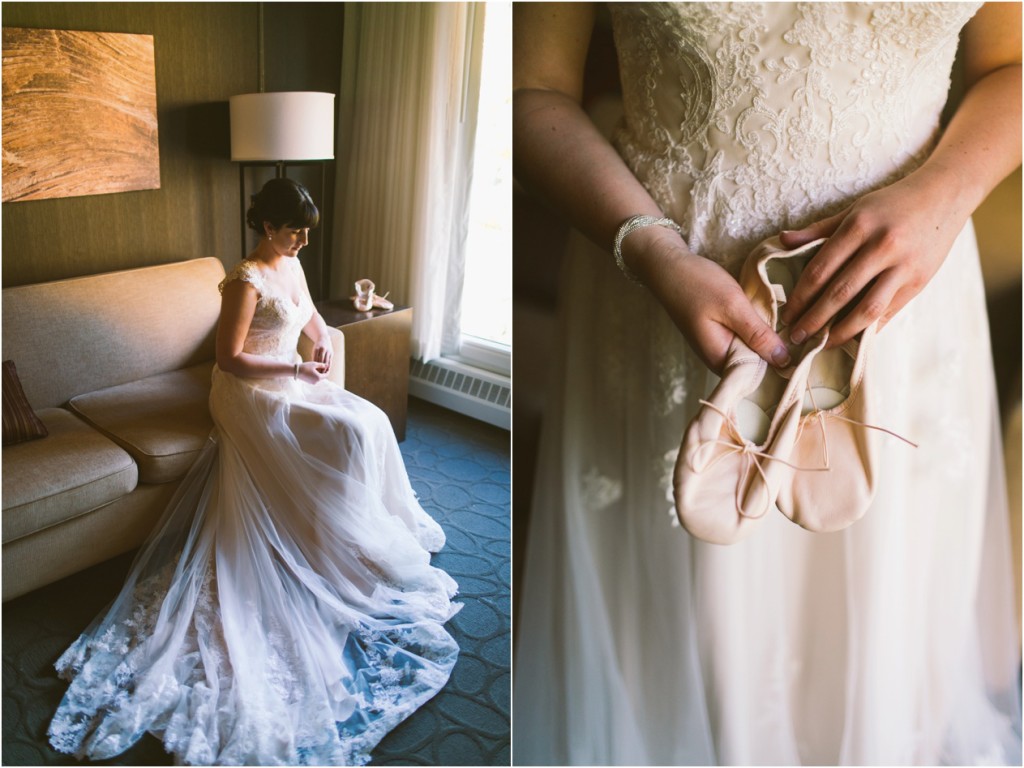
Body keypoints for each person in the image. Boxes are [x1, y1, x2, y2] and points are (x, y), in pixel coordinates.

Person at [513, 3, 1021, 765]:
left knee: (878, 632)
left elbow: (1011, 64)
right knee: (696, 639)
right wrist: (650, 250)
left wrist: (942, 198)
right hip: (669, 295)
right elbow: (533, 90)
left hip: (898, 306)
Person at [47, 178, 461, 765]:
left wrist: (321, 346)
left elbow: (312, 316)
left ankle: (339, 529)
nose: (303, 242)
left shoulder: (291, 265)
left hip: (292, 378)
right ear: (267, 226)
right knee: (344, 429)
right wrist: (296, 369)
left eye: (308, 232)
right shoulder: (245, 279)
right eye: (295, 231)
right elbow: (228, 358)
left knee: (366, 422)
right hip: (249, 391)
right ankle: (314, 535)